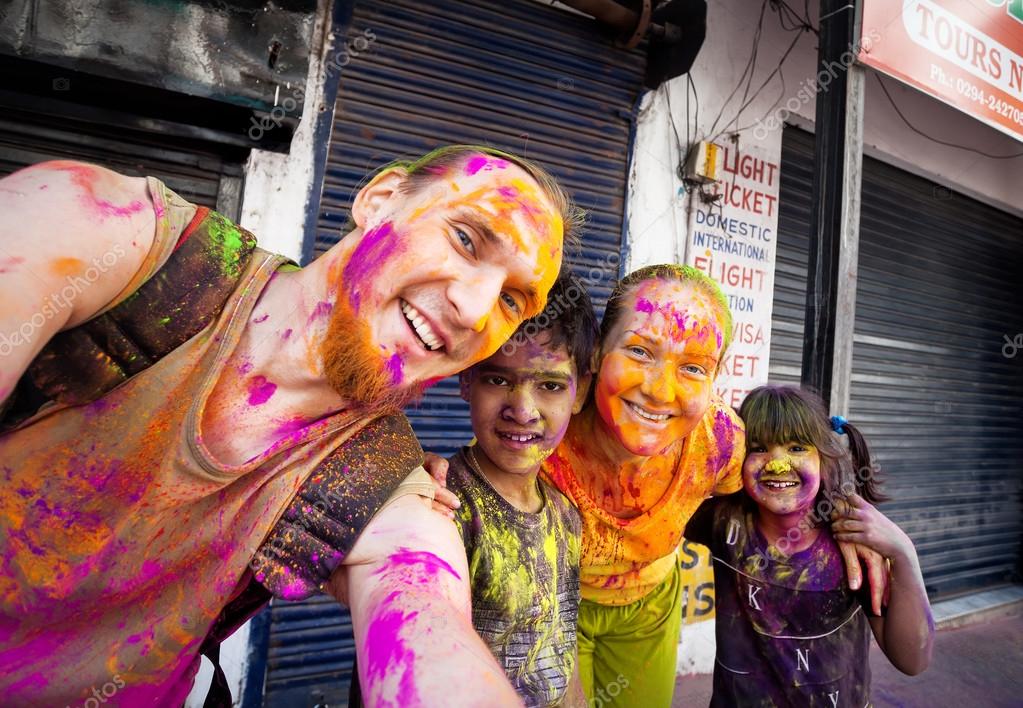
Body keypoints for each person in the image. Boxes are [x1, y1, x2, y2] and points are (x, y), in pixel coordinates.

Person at [0, 146, 574, 706]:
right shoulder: (114, 235)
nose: (475, 310)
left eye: (512, 300)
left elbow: (430, 622)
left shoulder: (383, 479)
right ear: (380, 199)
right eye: (466, 238)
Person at [535, 264, 889, 706]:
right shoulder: (544, 424)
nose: (661, 391)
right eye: (640, 352)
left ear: (716, 377)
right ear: (596, 352)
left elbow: (782, 490)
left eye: (693, 368)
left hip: (649, 606)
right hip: (549, 603)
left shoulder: (719, 444)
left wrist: (842, 518)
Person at [683, 384, 934, 705]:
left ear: (823, 459)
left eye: (797, 448)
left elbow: (912, 660)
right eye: (758, 448)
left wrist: (903, 552)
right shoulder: (723, 520)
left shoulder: (854, 547)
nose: (777, 463)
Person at [444, 271, 596, 707]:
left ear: (579, 391)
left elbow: (559, 659)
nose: (522, 410)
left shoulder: (566, 517)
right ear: (466, 379)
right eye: (497, 380)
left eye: (549, 385)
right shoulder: (443, 507)